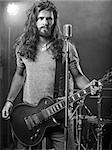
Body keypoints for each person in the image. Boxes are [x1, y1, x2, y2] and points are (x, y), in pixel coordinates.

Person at [2, 0, 99, 149]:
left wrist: (89, 86)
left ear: (54, 21)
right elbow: (19, 75)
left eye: (49, 19)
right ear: (34, 21)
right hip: (30, 115)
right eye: (41, 18)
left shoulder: (66, 48)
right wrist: (9, 101)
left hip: (58, 113)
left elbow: (78, 76)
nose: (45, 22)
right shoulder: (22, 47)